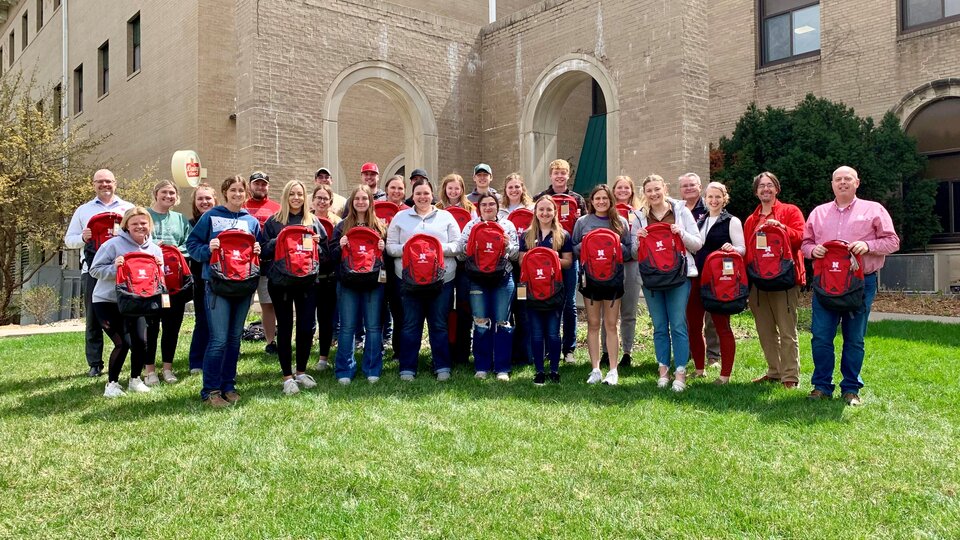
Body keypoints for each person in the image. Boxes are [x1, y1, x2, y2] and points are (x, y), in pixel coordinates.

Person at [801, 166, 899, 406]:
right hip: (826, 283)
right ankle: (821, 386)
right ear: (832, 184)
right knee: (821, 337)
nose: (842, 182)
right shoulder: (818, 212)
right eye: (838, 179)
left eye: (847, 179)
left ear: (857, 183)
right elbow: (805, 244)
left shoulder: (874, 209)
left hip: (860, 284)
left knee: (854, 338)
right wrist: (814, 250)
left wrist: (868, 246)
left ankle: (851, 389)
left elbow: (893, 241)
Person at [186, 176, 262, 408]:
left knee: (233, 340)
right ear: (225, 192)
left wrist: (258, 249)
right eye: (233, 190)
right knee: (218, 339)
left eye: (241, 190)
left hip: (243, 286)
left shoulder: (251, 222)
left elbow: (257, 252)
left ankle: (228, 386)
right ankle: (210, 390)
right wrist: (208, 250)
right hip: (217, 285)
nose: (237, 194)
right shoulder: (211, 216)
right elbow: (192, 244)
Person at [386, 178, 461, 381]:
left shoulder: (445, 217)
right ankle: (408, 367)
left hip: (442, 280)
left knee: (439, 324)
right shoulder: (401, 217)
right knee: (410, 324)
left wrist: (432, 249)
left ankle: (442, 365)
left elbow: (458, 245)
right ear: (413, 195)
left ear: (432, 195)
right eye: (418, 193)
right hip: (409, 280)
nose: (422, 197)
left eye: (426, 193)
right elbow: (390, 247)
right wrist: (411, 249)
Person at [64, 169, 134, 377]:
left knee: (129, 313)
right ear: (93, 184)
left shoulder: (128, 208)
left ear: (115, 183)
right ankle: (95, 363)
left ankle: (128, 357)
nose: (104, 185)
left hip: (124, 271)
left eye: (108, 181)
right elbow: (69, 241)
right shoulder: (83, 210)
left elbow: (141, 233)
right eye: (100, 182)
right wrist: (83, 238)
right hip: (93, 271)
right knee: (94, 318)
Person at [88, 207, 163, 398]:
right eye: (135, 223)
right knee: (122, 343)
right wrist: (116, 269)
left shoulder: (155, 250)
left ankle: (135, 380)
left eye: (143, 223)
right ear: (126, 226)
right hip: (107, 301)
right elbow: (94, 270)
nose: (139, 226)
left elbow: (157, 278)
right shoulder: (112, 245)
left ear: (149, 226)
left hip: (137, 303)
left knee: (141, 341)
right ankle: (112, 384)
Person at [637, 174, 702, 392]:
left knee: (678, 325)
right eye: (649, 191)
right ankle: (663, 370)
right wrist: (638, 239)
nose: (654, 194)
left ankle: (681, 371)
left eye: (657, 189)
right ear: (644, 194)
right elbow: (631, 251)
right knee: (659, 326)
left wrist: (680, 232)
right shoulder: (638, 216)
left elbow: (697, 244)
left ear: (665, 188)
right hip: (651, 278)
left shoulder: (681, 212)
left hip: (678, 276)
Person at [743, 172, 806, 389]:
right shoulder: (751, 220)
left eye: (770, 185)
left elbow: (801, 238)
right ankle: (774, 371)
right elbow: (749, 252)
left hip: (785, 279)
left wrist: (782, 228)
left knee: (787, 329)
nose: (765, 189)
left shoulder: (790, 211)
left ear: (777, 189)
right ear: (756, 191)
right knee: (765, 329)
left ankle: (790, 376)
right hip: (758, 283)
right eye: (761, 186)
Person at [261, 180, 323, 394]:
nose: (296, 198)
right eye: (292, 194)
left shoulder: (312, 221)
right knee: (285, 328)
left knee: (306, 327)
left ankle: (301, 372)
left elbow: (324, 253)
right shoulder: (274, 221)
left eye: (300, 194)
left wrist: (317, 243)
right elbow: (262, 251)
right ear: (286, 196)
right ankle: (287, 376)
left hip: (308, 282)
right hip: (281, 283)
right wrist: (278, 241)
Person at [572, 184, 633, 386]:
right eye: (597, 198)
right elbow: (574, 249)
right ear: (591, 201)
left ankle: (613, 370)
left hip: (613, 280)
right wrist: (591, 242)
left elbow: (629, 251)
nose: (601, 202)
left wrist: (613, 244)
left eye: (605, 198)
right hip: (590, 279)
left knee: (611, 324)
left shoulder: (620, 221)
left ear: (610, 201)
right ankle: (596, 369)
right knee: (593, 324)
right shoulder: (582, 222)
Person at [686, 182, 745, 384]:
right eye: (710, 197)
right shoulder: (700, 220)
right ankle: (700, 369)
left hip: (720, 282)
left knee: (722, 326)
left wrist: (733, 249)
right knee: (694, 325)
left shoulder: (732, 221)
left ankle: (725, 375)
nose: (713, 200)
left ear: (724, 198)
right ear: (705, 198)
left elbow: (742, 249)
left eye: (717, 197)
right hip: (697, 278)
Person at [457, 193, 519, 380]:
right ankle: (481, 366)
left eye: (492, 204)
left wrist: (507, 246)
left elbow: (516, 255)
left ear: (498, 207)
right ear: (479, 207)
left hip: (503, 278)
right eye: (484, 204)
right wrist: (471, 246)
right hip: (477, 279)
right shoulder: (471, 225)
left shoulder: (507, 225)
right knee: (481, 322)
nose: (488, 207)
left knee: (503, 322)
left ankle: (502, 368)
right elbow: (460, 254)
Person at [332, 185, 388, 384]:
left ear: (370, 202)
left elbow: (387, 259)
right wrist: (339, 246)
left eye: (365, 198)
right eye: (357, 199)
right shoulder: (341, 226)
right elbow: (332, 257)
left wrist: (384, 247)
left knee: (373, 327)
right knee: (347, 327)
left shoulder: (380, 226)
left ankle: (372, 367)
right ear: (352, 202)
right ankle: (344, 370)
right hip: (348, 282)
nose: (361, 202)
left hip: (374, 283)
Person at [533, 159, 586, 364]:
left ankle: (569, 349)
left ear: (568, 175)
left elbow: (582, 227)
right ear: (550, 175)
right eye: (556, 172)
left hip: (568, 256)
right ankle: (547, 346)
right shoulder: (540, 198)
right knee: (544, 301)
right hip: (542, 261)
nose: (560, 176)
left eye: (563, 172)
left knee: (569, 305)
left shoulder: (578, 199)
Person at [144, 180, 192, 385]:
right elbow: (136, 240)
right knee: (151, 327)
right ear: (155, 194)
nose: (168, 196)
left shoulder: (180, 219)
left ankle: (167, 369)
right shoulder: (144, 215)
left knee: (172, 326)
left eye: (172, 193)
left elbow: (189, 245)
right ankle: (149, 371)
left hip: (174, 283)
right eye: (164, 192)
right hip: (149, 282)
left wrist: (172, 250)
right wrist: (156, 247)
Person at [521, 196, 573, 385]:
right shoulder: (526, 235)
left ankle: (554, 369)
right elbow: (521, 260)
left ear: (555, 212)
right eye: (541, 209)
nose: (545, 213)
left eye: (549, 210)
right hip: (532, 289)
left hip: (554, 290)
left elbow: (568, 262)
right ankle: (539, 370)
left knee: (552, 332)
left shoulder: (563, 235)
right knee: (535, 332)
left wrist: (549, 259)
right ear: (535, 212)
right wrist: (535, 260)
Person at [679, 172, 721, 365]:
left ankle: (713, 355)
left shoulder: (709, 208)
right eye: (684, 186)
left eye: (692, 185)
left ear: (699, 186)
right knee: (690, 314)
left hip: (709, 267)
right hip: (686, 268)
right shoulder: (677, 211)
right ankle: (690, 352)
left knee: (711, 314)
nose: (688, 188)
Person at [437, 173, 475, 366]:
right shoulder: (437, 209)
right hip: (443, 264)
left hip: (465, 266)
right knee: (443, 309)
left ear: (462, 190)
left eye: (457, 188)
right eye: (449, 188)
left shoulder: (471, 209)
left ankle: (462, 352)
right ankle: (445, 350)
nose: (453, 191)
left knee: (463, 307)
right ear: (444, 189)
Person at [605, 175, 643, 368]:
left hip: (631, 264)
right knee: (608, 311)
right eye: (619, 188)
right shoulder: (606, 214)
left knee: (628, 311)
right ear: (613, 191)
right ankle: (605, 351)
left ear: (631, 191)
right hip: (608, 267)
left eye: (626, 188)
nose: (622, 191)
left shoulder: (639, 213)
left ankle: (627, 352)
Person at [243, 171, 281, 354]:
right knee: (243, 303)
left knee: (268, 304)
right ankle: (235, 340)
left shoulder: (276, 208)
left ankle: (270, 342)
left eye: (263, 184)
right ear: (250, 186)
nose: (260, 187)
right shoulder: (241, 206)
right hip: (243, 264)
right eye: (256, 184)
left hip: (267, 263)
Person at [187, 183, 218, 376]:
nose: (204, 202)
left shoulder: (221, 221)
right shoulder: (189, 224)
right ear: (194, 202)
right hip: (199, 276)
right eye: (200, 198)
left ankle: (214, 358)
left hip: (223, 277)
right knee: (203, 320)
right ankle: (196, 361)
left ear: (215, 200)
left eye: (208, 198)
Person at [311, 184, 341, 371]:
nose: (322, 201)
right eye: (318, 198)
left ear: (330, 202)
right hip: (307, 275)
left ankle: (323, 358)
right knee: (307, 319)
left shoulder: (338, 222)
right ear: (313, 200)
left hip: (329, 275)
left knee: (326, 318)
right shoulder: (305, 220)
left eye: (325, 198)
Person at [381, 175, 409, 353]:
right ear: (386, 189)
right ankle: (378, 346)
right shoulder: (376, 209)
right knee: (379, 308)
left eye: (400, 188)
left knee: (399, 309)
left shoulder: (408, 212)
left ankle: (399, 350)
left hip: (399, 265)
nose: (396, 192)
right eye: (393, 188)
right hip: (379, 264)